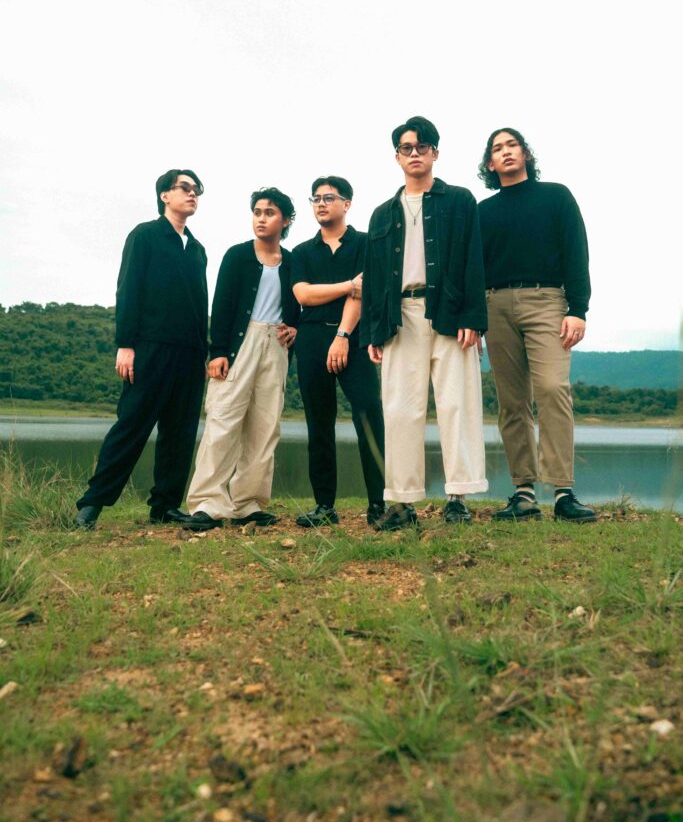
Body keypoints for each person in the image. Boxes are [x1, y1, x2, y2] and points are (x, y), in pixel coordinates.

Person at [361, 116, 489, 531]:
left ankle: (458, 498)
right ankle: (402, 503)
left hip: (450, 313)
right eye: (406, 148)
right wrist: (373, 330)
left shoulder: (460, 201)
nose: (414, 153)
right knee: (401, 409)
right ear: (396, 157)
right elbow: (374, 275)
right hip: (399, 316)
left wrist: (474, 317)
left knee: (457, 404)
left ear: (435, 152)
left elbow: (473, 260)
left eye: (422, 146)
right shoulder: (382, 214)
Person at [74, 170, 208, 529]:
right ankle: (91, 505)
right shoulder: (145, 235)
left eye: (197, 190)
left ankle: (165, 506)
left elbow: (200, 303)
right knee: (132, 425)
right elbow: (128, 288)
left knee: (179, 433)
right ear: (165, 195)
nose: (192, 194)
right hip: (150, 348)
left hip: (190, 354)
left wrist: (204, 351)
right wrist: (126, 344)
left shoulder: (197, 249)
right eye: (185, 188)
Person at [477, 128, 596, 523]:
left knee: (552, 389)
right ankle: (524, 494)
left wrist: (578, 309)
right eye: (498, 148)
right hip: (495, 306)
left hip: (547, 301)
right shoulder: (483, 211)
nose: (506, 152)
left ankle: (563, 493)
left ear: (525, 153)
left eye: (512, 145)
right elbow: (474, 269)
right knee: (512, 402)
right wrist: (473, 319)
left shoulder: (556, 196)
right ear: (490, 163)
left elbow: (576, 251)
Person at [183, 188, 300, 531]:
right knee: (223, 421)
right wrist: (217, 351)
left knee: (265, 427)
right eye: (257, 212)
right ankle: (208, 504)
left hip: (276, 346)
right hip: (239, 344)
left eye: (270, 213)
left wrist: (297, 328)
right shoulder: (237, 256)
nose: (261, 219)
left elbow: (301, 304)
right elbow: (221, 305)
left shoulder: (293, 261)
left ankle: (248, 504)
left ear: (285, 220)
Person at [291, 176, 385, 527]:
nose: (320, 203)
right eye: (315, 198)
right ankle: (324, 506)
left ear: (347, 204)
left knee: (369, 417)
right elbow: (304, 294)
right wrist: (347, 285)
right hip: (311, 338)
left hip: (354, 338)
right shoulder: (302, 251)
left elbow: (362, 293)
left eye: (328, 197)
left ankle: (378, 503)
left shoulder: (365, 243)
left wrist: (343, 334)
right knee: (318, 423)